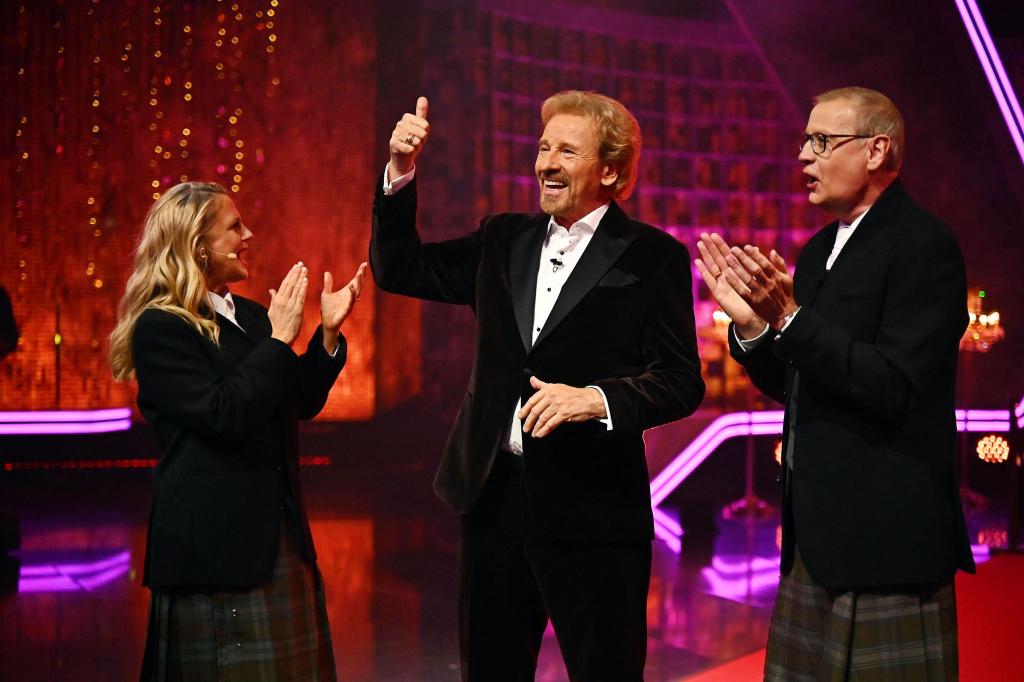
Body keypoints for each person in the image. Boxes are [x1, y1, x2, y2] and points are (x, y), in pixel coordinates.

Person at [370, 91, 705, 680]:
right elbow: (400, 269)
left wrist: (596, 399)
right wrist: (400, 172)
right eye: (544, 147)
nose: (546, 162)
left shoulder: (654, 257)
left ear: (610, 170)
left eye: (567, 151)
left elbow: (681, 382)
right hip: (495, 498)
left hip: (594, 507)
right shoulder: (503, 239)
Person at [695, 86, 975, 680]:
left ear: (877, 151)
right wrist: (752, 329)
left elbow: (892, 385)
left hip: (884, 546)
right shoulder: (820, 250)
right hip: (815, 544)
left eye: (821, 141)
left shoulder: (925, 246)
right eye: (805, 141)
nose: (803, 156)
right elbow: (804, 383)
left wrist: (792, 320)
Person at [109, 181, 367, 681]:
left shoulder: (249, 316)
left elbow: (298, 401)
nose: (247, 235)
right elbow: (223, 413)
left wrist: (326, 334)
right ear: (197, 245)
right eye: (234, 227)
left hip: (277, 538)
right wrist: (278, 339)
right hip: (213, 550)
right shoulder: (162, 327)